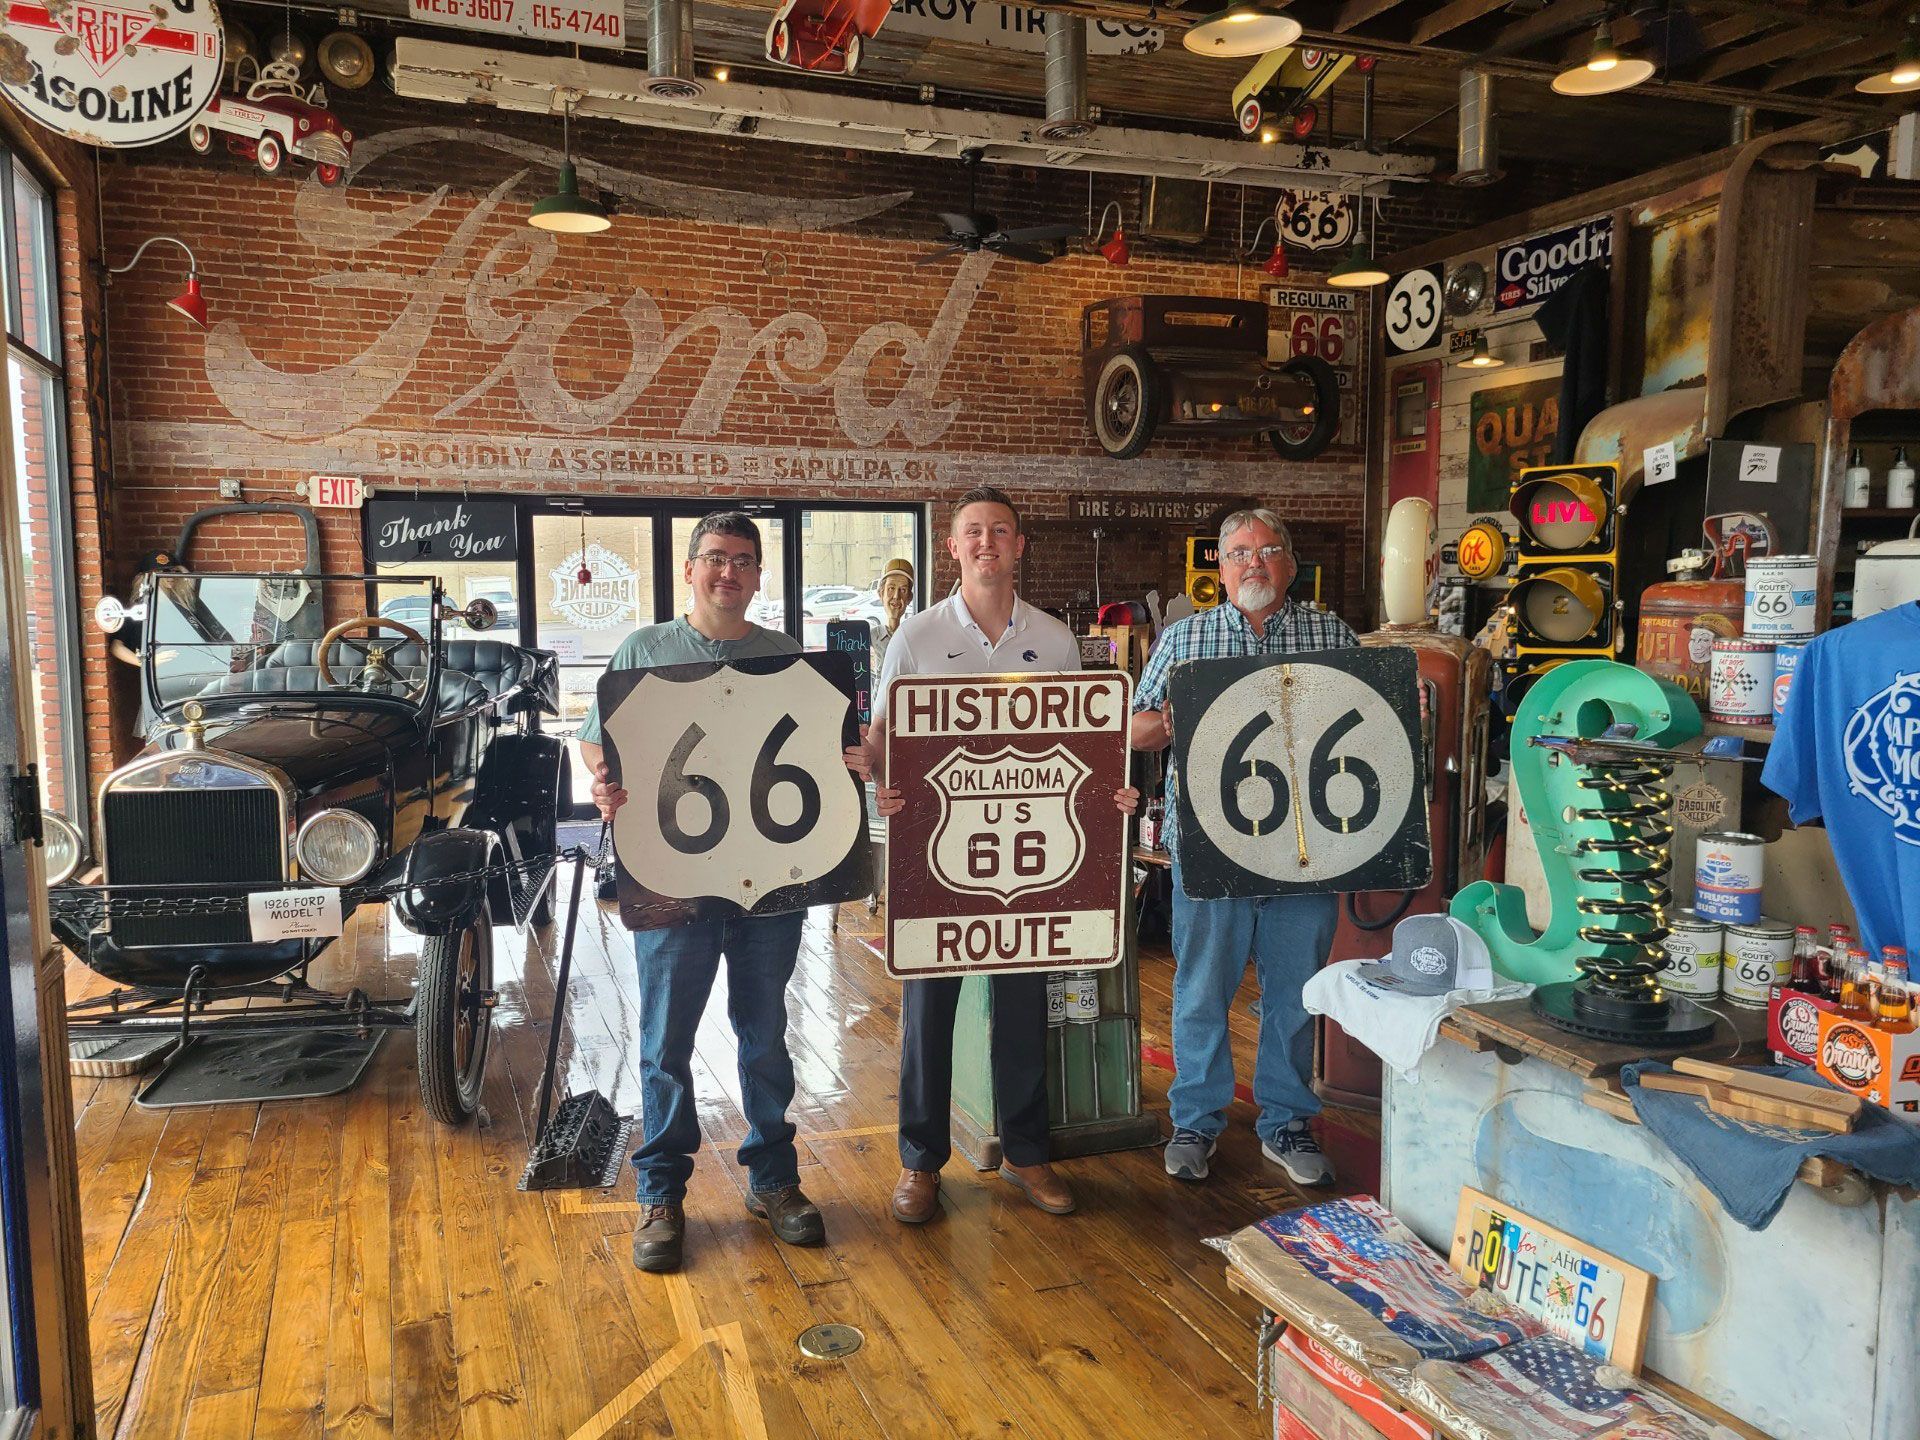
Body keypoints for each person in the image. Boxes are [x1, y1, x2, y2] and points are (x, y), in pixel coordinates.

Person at [577, 510, 871, 1274]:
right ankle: (662, 1193)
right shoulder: (644, 649)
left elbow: (825, 747)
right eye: (715, 559)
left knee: (766, 1032)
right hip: (674, 878)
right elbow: (596, 738)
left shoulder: (783, 656)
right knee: (666, 1043)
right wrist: (602, 781)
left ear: (758, 573)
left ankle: (772, 1181)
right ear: (689, 569)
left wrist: (854, 758)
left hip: (771, 881)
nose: (728, 573)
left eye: (743, 561)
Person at [869, 486, 1136, 1224]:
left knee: (1024, 1009)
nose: (987, 542)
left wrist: (1108, 796)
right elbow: (882, 739)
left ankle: (1026, 1153)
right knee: (929, 1011)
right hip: (939, 856)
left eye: (1000, 532)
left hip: (1031, 858)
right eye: (972, 533)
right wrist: (883, 789)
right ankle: (919, 1163)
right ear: (951, 548)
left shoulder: (1053, 639)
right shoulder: (917, 637)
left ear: (1020, 547)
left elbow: (1088, 744)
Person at [1129, 508, 1358, 1187]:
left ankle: (1286, 1120)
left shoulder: (1332, 632)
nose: (1252, 563)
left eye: (1266, 551)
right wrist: (1168, 719)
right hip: (1210, 840)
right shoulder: (1185, 637)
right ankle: (1195, 1119)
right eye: (1238, 553)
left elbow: (1369, 724)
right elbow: (1135, 727)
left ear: (1290, 563)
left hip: (1307, 842)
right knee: (1201, 988)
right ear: (1220, 569)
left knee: (1294, 991)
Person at [870, 557, 915, 674]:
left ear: (909, 598)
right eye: (891, 588)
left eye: (903, 590)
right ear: (881, 593)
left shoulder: (913, 636)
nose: (896, 596)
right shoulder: (871, 636)